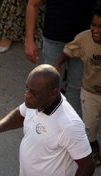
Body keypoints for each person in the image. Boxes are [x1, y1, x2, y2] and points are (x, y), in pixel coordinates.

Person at [25, 0, 97, 115]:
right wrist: (29, 40)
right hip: (54, 39)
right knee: (49, 85)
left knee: (77, 86)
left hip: (83, 41)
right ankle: (47, 123)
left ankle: (69, 124)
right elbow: (33, 4)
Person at [54, 6, 101, 166]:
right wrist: (58, 64)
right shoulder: (84, 38)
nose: (96, 30)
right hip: (90, 93)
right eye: (93, 25)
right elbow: (69, 50)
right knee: (90, 127)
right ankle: (94, 148)